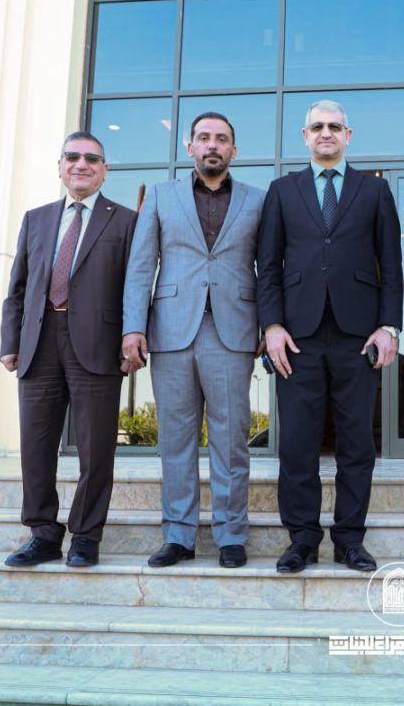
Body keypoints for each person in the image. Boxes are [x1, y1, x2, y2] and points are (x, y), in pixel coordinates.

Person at [257, 100, 403, 574]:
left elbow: (392, 265)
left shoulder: (374, 190)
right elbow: (267, 266)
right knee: (297, 444)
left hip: (357, 335)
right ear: (305, 136)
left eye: (334, 126)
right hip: (295, 336)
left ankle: (350, 540)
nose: (326, 133)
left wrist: (389, 326)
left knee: (357, 444)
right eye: (317, 126)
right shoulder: (282, 191)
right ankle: (301, 539)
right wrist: (271, 326)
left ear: (348, 135)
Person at [121, 112, 265, 569]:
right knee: (176, 440)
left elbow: (269, 269)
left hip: (232, 331)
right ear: (190, 147)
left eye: (221, 139)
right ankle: (178, 535)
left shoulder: (258, 200)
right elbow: (141, 266)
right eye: (204, 138)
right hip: (171, 331)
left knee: (231, 440)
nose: (212, 145)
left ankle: (231, 535)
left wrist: (268, 325)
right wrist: (133, 326)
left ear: (234, 150)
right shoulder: (161, 197)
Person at [0, 131, 137, 568]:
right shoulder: (36, 219)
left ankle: (86, 536)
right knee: (35, 445)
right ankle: (42, 533)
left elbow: (136, 287)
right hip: (38, 342)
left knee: (96, 449)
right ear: (60, 166)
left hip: (98, 344)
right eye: (72, 157)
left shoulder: (125, 221)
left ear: (104, 170)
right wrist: (10, 342)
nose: (82, 164)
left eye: (92, 159)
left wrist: (133, 336)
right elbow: (17, 287)